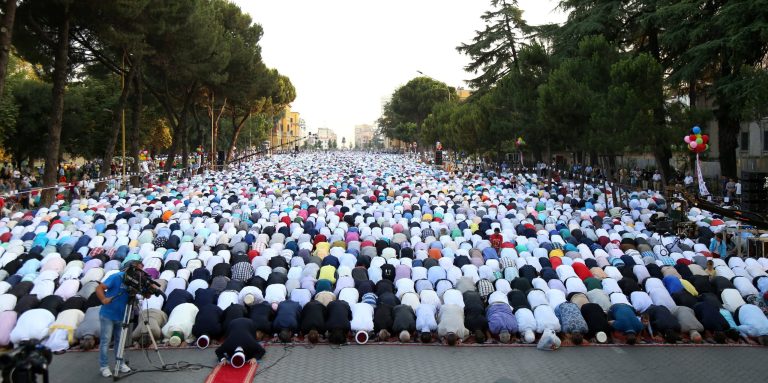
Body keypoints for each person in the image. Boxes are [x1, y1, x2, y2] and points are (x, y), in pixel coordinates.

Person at [95, 261, 142, 377]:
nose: (139, 273)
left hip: (122, 315)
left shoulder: (137, 281)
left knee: (120, 341)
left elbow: (146, 295)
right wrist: (103, 300)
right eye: (138, 270)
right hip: (108, 314)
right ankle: (104, 366)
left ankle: (120, 363)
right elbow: (99, 288)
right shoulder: (116, 277)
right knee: (105, 341)